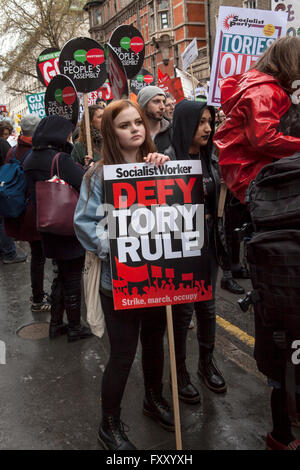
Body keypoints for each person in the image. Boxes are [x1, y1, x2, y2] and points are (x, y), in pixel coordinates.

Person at [213, 36, 300, 450]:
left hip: (258, 195)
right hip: (262, 186)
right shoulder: (266, 90)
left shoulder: (258, 86)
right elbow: (266, 140)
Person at [74, 99, 173, 451]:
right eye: (125, 125)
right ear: (111, 134)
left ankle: (153, 398)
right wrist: (117, 248)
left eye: (138, 123)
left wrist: (168, 170)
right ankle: (109, 424)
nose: (135, 129)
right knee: (122, 354)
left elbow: (178, 210)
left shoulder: (159, 165)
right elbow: (84, 225)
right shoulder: (98, 175)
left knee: (155, 344)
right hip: (118, 282)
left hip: (158, 278)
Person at [165, 100, 227, 403]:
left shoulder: (210, 158)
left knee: (208, 308)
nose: (207, 128)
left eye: (209, 122)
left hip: (208, 246)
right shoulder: (166, 159)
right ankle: (179, 373)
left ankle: (206, 363)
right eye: (201, 122)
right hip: (180, 250)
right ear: (186, 124)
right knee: (182, 312)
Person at [24, 115, 93, 342]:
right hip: (67, 226)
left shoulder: (30, 158)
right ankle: (74, 326)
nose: (68, 136)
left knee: (60, 275)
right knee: (72, 277)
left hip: (47, 226)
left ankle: (56, 323)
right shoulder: (60, 159)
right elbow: (83, 182)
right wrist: (88, 168)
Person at [214, 36, 300, 204]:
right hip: (256, 177)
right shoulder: (265, 90)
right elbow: (264, 138)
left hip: (252, 176)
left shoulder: (263, 86)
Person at [4, 114, 50, 311]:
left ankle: (38, 295)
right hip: (37, 211)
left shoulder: (13, 152)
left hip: (21, 209)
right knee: (40, 257)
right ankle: (38, 298)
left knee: (36, 255)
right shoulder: (38, 152)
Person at [0, 125, 27, 265]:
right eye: (4, 134)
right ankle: (9, 253)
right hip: (3, 186)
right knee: (2, 221)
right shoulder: (3, 144)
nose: (6, 136)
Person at [137, 86, 172, 153]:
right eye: (156, 101)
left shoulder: (173, 131)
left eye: (163, 102)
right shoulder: (134, 132)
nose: (162, 107)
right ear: (144, 105)